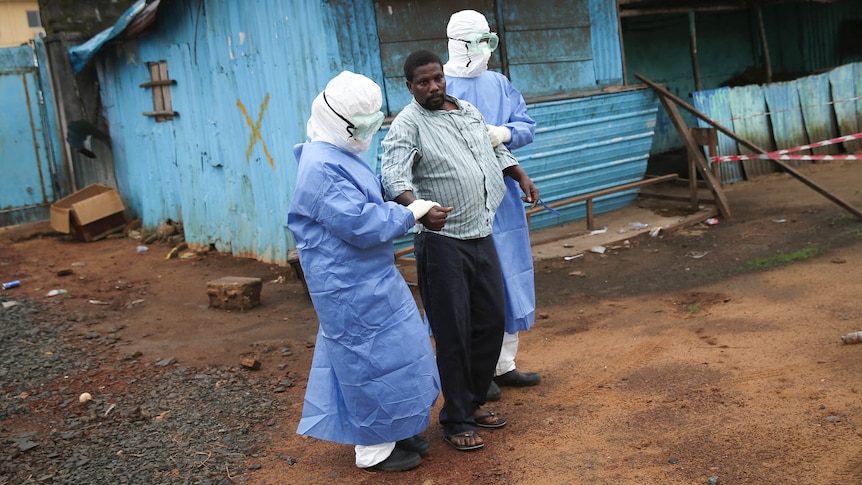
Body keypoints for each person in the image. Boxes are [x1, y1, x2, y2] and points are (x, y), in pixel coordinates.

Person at [380, 50, 538, 452]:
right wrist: (418, 208)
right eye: (423, 82)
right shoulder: (407, 125)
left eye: (437, 79)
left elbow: (494, 150)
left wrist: (519, 173)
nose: (433, 87)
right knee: (453, 332)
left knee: (491, 320)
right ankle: (456, 418)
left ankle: (472, 401)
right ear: (409, 86)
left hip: (481, 233)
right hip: (443, 242)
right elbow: (393, 178)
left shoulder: (466, 109)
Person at [288, 71, 441, 472]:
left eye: (376, 122)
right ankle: (373, 449)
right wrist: (411, 212)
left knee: (403, 350)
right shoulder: (320, 166)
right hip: (347, 286)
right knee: (367, 363)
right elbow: (360, 223)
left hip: (371, 276)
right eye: (364, 126)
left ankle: (398, 426)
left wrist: (401, 197)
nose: (370, 133)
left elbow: (367, 195)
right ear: (336, 120)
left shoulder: (340, 153)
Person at [443, 9, 541, 402]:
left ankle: (504, 364)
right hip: (461, 203)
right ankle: (477, 370)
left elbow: (525, 126)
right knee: (472, 287)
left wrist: (502, 133)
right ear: (460, 44)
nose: (486, 50)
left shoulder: (499, 83)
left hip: (503, 203)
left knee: (509, 279)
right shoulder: (437, 85)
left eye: (489, 41)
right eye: (479, 42)